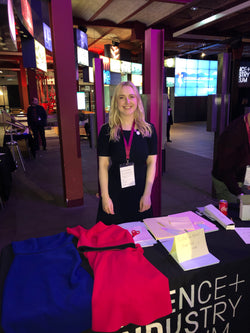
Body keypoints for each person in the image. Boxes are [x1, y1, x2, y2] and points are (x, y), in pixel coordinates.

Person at [96, 81, 157, 225]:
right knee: (113, 239)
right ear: (116, 101)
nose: (127, 101)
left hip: (141, 192)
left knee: (143, 239)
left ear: (137, 100)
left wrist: (147, 194)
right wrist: (105, 196)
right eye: (121, 97)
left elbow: (152, 163)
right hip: (115, 192)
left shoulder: (149, 130)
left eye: (131, 96)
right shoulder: (107, 130)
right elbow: (103, 166)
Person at [212, 112, 250, 203]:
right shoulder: (233, 134)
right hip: (226, 182)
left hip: (239, 176)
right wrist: (239, 193)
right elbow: (225, 169)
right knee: (232, 212)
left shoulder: (246, 124)